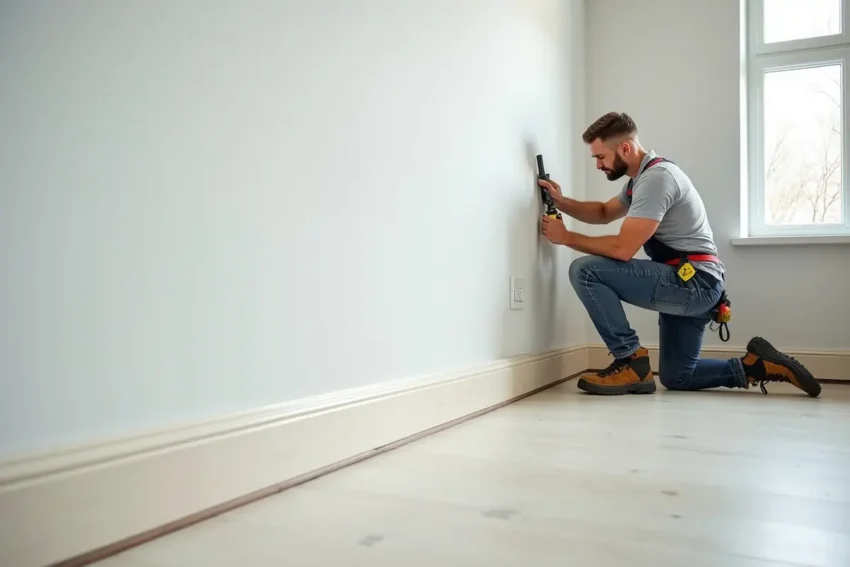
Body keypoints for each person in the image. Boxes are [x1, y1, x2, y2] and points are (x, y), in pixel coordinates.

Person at [538, 112, 821, 398]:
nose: (598, 165)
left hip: (693, 283)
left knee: (585, 271)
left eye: (600, 157)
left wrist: (567, 237)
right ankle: (756, 366)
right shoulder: (640, 181)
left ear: (625, 148)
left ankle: (630, 360)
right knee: (678, 376)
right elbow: (603, 212)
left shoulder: (657, 179)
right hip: (698, 282)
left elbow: (623, 249)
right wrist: (562, 202)